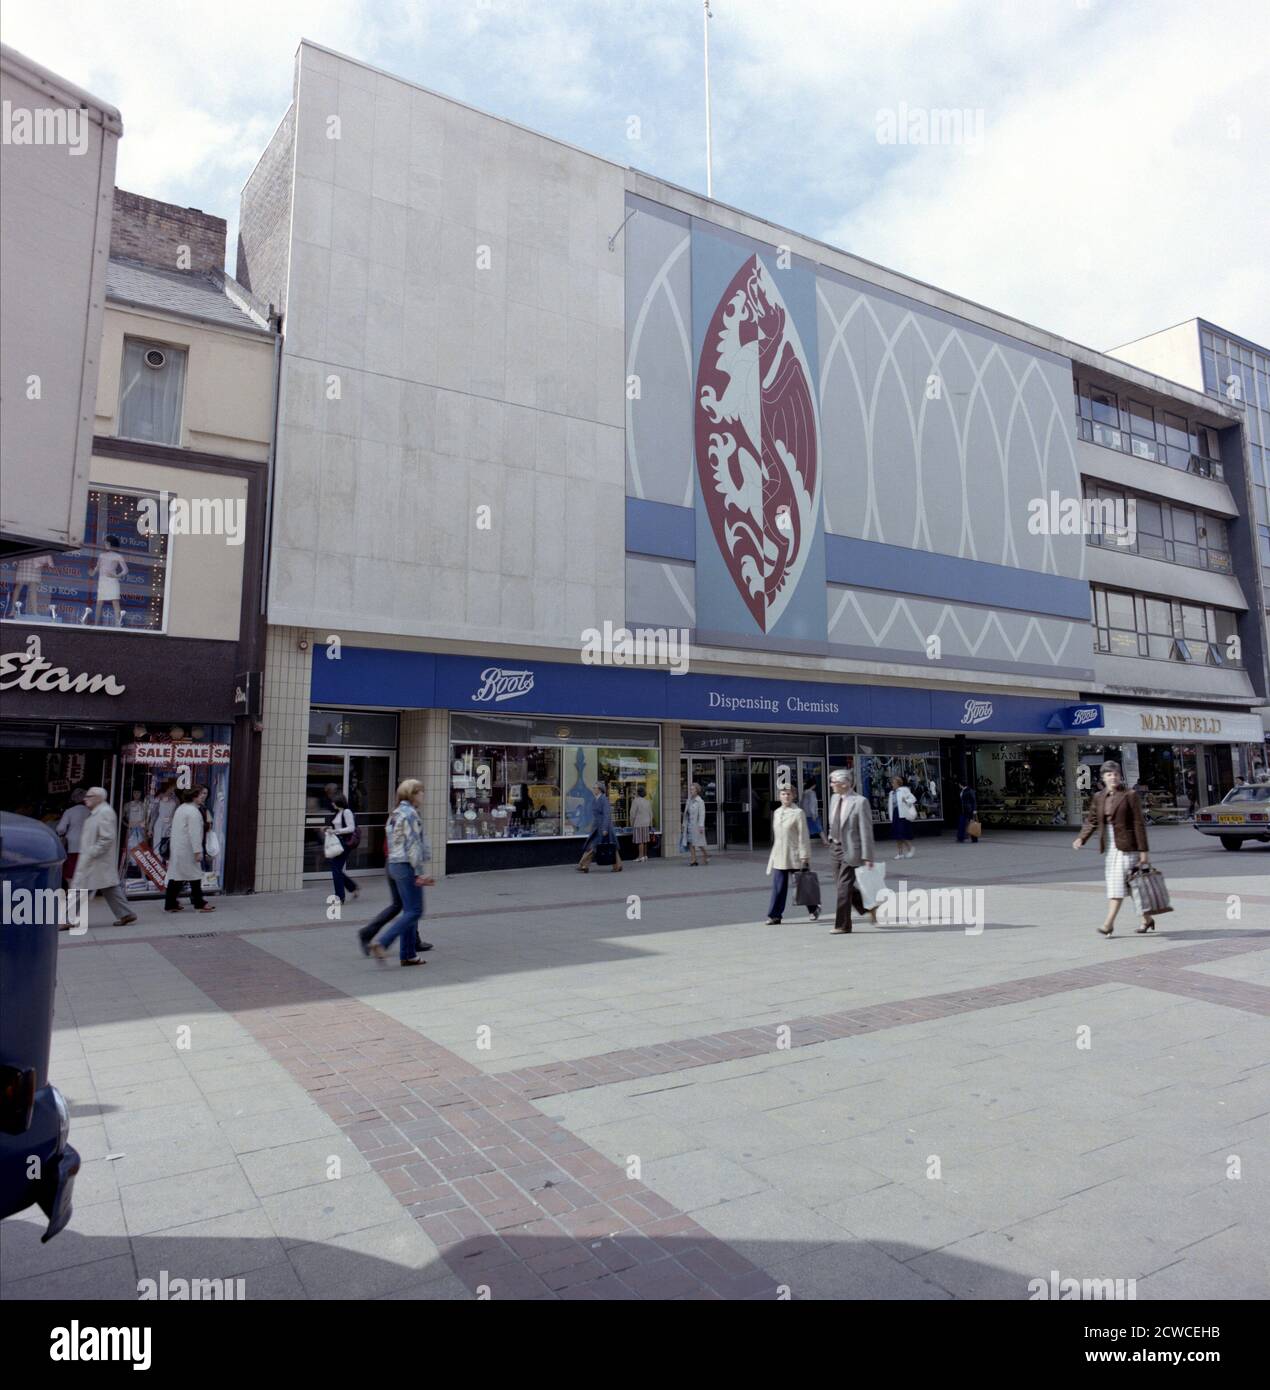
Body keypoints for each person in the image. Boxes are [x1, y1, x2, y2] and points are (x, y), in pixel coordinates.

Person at [1073, 759, 1154, 936]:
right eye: (1109, 774)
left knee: (1116, 884)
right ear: (1103, 778)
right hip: (1110, 846)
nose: (1113, 777)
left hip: (1128, 847)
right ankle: (1147, 919)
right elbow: (1092, 820)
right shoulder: (1099, 797)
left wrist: (1143, 852)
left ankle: (1108, 924)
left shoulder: (1130, 795)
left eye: (1116, 774)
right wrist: (1081, 838)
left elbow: (1138, 823)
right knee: (1133, 886)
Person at [369, 779, 433, 966]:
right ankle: (382, 942)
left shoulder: (395, 813)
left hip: (392, 864)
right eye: (420, 791)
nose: (423, 795)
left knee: (407, 910)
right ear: (412, 794)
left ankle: (408, 954)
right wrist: (420, 872)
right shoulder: (411, 814)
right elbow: (413, 845)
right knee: (415, 910)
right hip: (406, 865)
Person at [68, 787, 137, 928]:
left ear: (99, 797)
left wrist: (92, 852)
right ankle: (126, 914)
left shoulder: (104, 813)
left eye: (90, 796)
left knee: (79, 888)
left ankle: (68, 920)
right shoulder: (96, 812)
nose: (86, 798)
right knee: (109, 888)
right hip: (95, 860)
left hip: (96, 860)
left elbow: (107, 838)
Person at [825, 769, 877, 933]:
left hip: (851, 850)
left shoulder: (860, 802)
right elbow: (834, 821)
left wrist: (868, 855)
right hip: (835, 847)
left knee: (843, 887)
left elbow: (866, 830)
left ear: (845, 783)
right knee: (841, 886)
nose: (831, 785)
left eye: (834, 782)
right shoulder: (834, 798)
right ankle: (868, 907)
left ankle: (842, 925)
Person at [766, 784, 815, 924]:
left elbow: (803, 835)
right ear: (779, 796)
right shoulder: (777, 812)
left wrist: (805, 855)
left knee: (803, 885)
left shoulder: (798, 813)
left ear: (794, 796)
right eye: (783, 794)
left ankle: (813, 908)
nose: (786, 796)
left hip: (795, 855)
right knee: (778, 887)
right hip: (780, 855)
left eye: (788, 794)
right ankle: (775, 915)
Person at [164, 787, 215, 913]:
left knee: (177, 876)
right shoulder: (193, 812)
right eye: (200, 795)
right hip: (188, 849)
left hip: (178, 847)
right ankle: (199, 903)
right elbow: (195, 834)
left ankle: (170, 903)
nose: (203, 797)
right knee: (195, 875)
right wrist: (198, 851)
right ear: (193, 796)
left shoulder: (181, 808)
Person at [578, 783, 622, 873]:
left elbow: (607, 814)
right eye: (593, 788)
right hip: (597, 826)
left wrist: (605, 828)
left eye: (595, 788)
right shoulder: (595, 799)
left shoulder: (604, 799)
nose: (593, 789)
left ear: (600, 789)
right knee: (609, 846)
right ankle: (618, 865)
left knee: (595, 846)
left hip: (604, 827)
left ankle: (583, 864)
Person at [326, 793, 360, 903]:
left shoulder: (347, 812)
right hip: (337, 842)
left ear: (339, 802)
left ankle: (340, 897)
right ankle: (352, 887)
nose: (332, 804)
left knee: (336, 869)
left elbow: (351, 828)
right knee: (336, 869)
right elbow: (336, 826)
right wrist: (328, 829)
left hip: (345, 843)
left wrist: (336, 831)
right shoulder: (338, 812)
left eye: (334, 802)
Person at [91, 535, 128, 626]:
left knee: (115, 602)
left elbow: (126, 570)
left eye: (107, 542)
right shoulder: (101, 555)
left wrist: (116, 576)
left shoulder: (118, 556)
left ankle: (118, 625)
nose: (105, 544)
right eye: (105, 542)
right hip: (102, 581)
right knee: (99, 603)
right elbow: (97, 567)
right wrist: (93, 573)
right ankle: (96, 625)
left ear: (111, 544)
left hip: (112, 581)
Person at [56, 789, 91, 885]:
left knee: (70, 871)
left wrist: (62, 834)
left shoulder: (69, 811)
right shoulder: (90, 812)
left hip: (72, 845)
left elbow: (60, 828)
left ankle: (73, 892)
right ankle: (81, 895)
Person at [148, 778, 178, 860]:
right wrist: (150, 828)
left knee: (168, 844)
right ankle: (157, 864)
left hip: (170, 824)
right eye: (173, 787)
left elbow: (177, 812)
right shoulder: (159, 797)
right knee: (157, 843)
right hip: (160, 823)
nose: (174, 789)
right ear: (168, 787)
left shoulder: (175, 798)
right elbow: (154, 814)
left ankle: (167, 865)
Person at [888, 775, 917, 859]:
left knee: (902, 834)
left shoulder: (904, 790)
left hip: (902, 815)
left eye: (893, 782)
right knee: (897, 835)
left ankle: (910, 848)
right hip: (895, 814)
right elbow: (890, 805)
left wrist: (906, 800)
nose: (892, 784)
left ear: (898, 783)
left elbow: (913, 799)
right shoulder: (891, 793)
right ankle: (900, 853)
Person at [682, 782, 708, 866]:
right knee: (691, 842)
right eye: (690, 789)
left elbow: (702, 814)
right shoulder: (689, 800)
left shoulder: (700, 801)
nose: (691, 791)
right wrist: (683, 824)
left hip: (696, 825)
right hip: (689, 824)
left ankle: (706, 854)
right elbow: (686, 813)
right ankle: (693, 860)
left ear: (697, 790)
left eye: (692, 789)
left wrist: (701, 825)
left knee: (699, 843)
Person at [630, 785, 654, 863]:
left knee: (640, 841)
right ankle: (645, 855)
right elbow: (651, 813)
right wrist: (650, 823)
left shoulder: (635, 801)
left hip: (638, 823)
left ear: (638, 793)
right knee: (645, 840)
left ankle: (640, 857)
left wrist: (632, 823)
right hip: (646, 823)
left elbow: (632, 814)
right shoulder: (647, 801)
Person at [956, 779, 979, 844]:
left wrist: (974, 810)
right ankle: (960, 837)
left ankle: (974, 838)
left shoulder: (970, 791)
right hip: (963, 810)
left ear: (961, 784)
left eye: (959, 784)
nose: (959, 785)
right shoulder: (962, 791)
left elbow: (973, 801)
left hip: (969, 810)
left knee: (972, 824)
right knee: (962, 823)